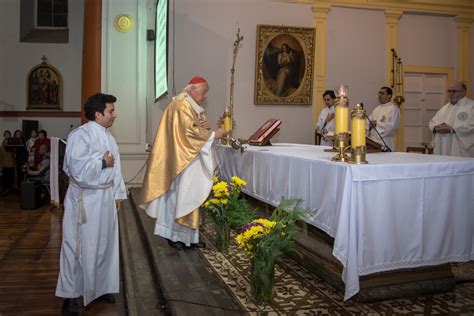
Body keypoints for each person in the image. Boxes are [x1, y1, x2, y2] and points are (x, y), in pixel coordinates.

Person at [56, 93, 127, 315]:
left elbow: (117, 168)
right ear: (97, 113)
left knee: (104, 246)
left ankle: (100, 287)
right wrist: (101, 163)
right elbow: (75, 170)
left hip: (105, 200)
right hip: (86, 200)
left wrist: (117, 193)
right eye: (111, 111)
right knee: (77, 248)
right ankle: (69, 297)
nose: (114, 115)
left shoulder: (108, 136)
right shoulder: (80, 135)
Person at [139, 76, 227, 250]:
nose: (205, 97)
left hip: (187, 158)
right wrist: (213, 134)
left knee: (187, 197)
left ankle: (188, 238)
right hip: (182, 161)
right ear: (192, 90)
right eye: (204, 92)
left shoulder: (189, 106)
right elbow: (188, 133)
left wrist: (205, 128)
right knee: (179, 197)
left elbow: (195, 129)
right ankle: (174, 235)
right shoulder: (181, 105)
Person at [428, 81, 474, 157]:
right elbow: (432, 122)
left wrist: (453, 129)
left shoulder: (471, 106)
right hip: (442, 147)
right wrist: (435, 128)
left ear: (464, 92)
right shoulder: (444, 108)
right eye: (449, 91)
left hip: (460, 150)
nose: (451, 94)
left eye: (454, 91)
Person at [368, 86, 400, 151]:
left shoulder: (393, 109)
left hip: (386, 141)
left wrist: (377, 124)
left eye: (382, 93)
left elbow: (393, 126)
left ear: (389, 96)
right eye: (379, 93)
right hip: (373, 142)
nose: (379, 95)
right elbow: (368, 122)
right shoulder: (376, 109)